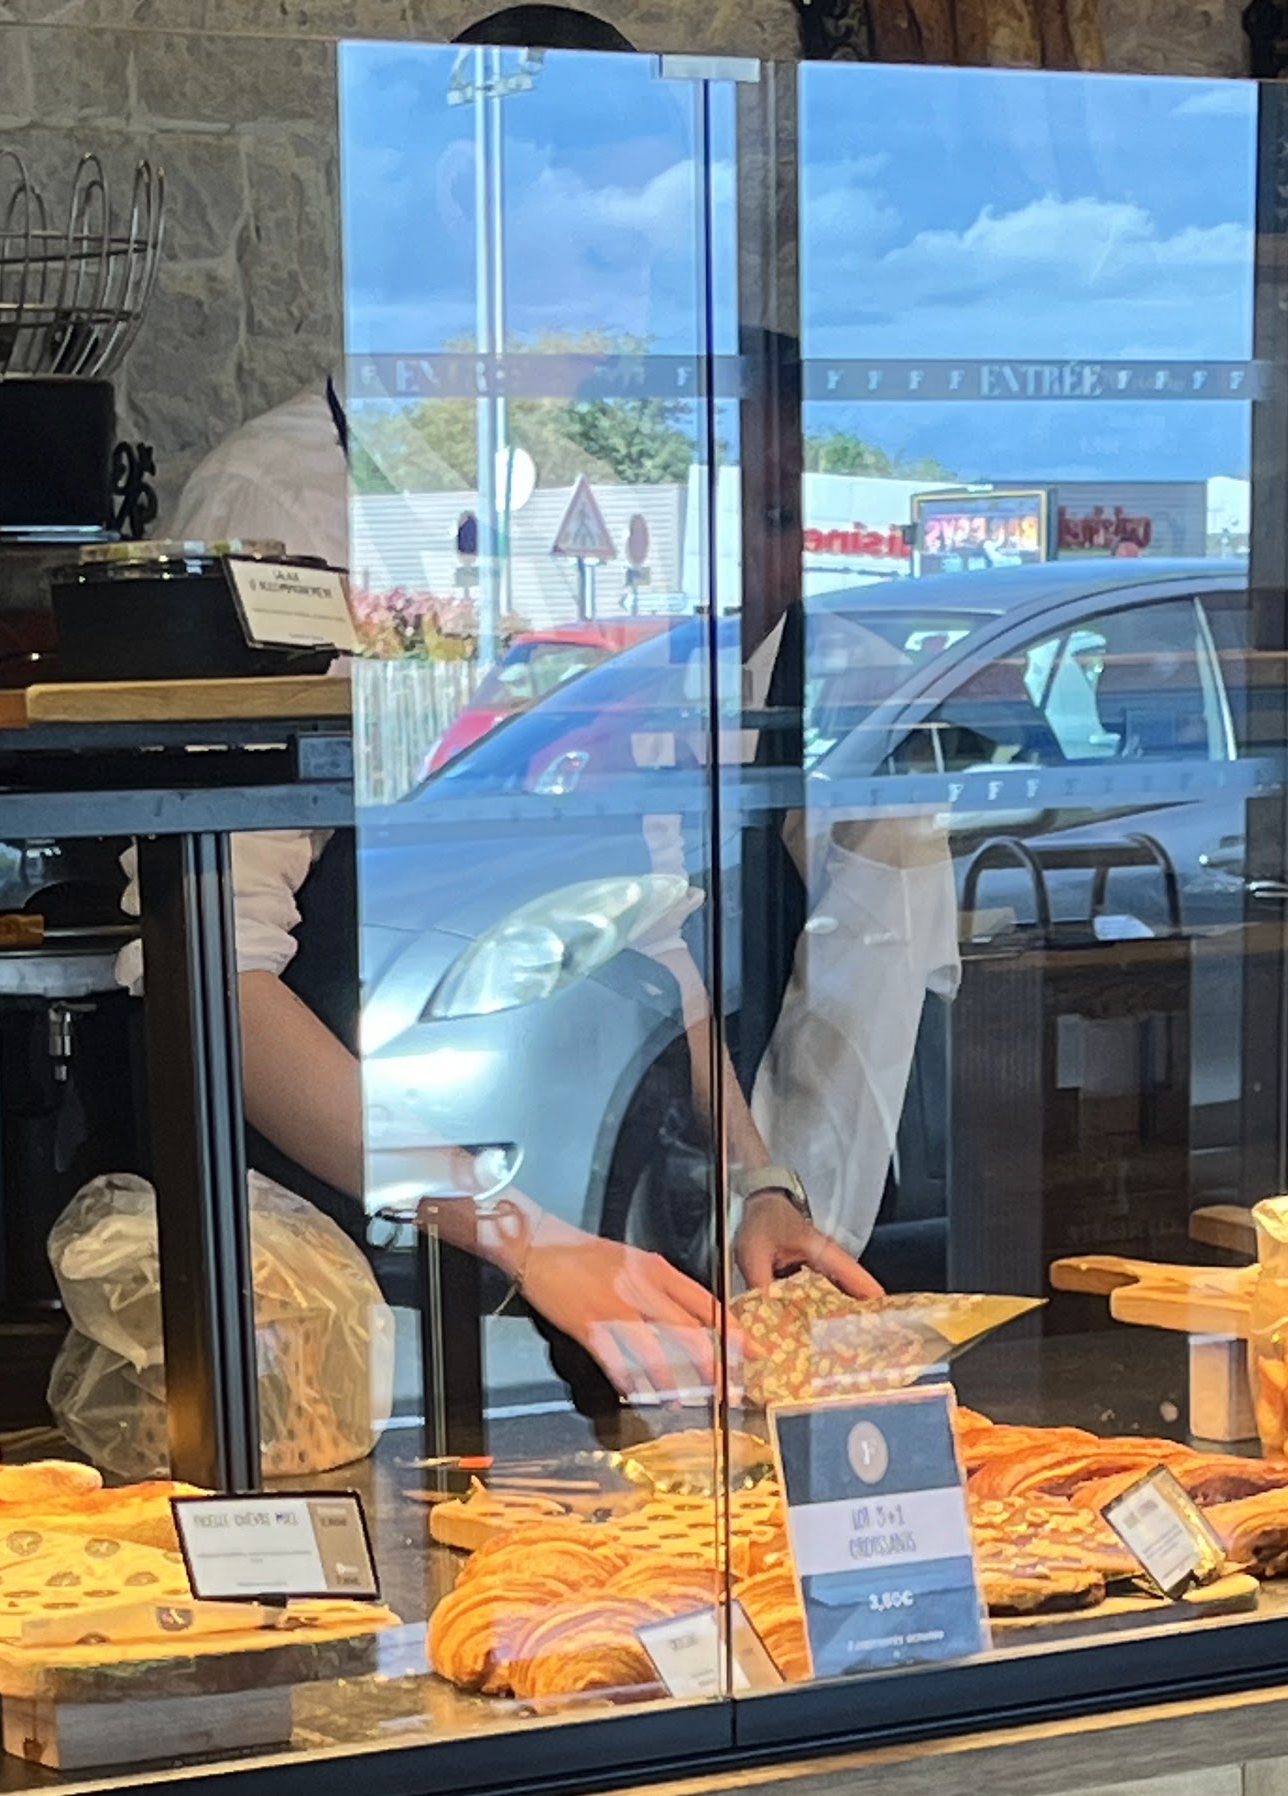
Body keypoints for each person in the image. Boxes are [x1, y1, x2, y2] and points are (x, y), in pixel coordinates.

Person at [130, 1, 888, 1409]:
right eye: (601, 253)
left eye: (651, 260)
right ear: (458, 200)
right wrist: (516, 1234)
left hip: (589, 1259)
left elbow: (642, 921)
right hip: (334, 1278)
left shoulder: (595, 513)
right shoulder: (290, 503)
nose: (635, 309)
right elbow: (211, 978)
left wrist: (754, 1187)